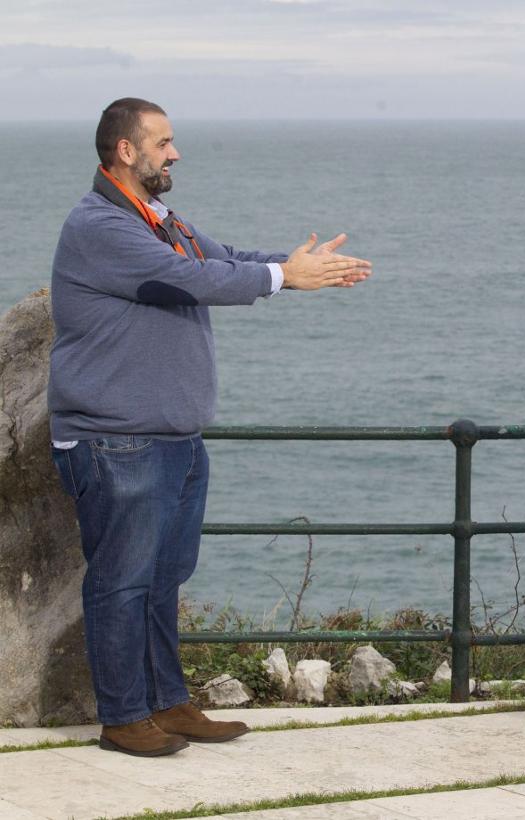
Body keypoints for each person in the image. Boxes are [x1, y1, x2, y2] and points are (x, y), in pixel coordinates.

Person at [48, 97, 372, 757]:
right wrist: (285, 276)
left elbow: (217, 257)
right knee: (121, 579)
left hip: (171, 441)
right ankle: (123, 717)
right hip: (117, 442)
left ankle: (167, 703)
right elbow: (184, 277)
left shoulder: (157, 219)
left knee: (161, 579)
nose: (175, 153)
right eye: (163, 143)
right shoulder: (101, 227)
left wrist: (288, 266)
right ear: (126, 152)